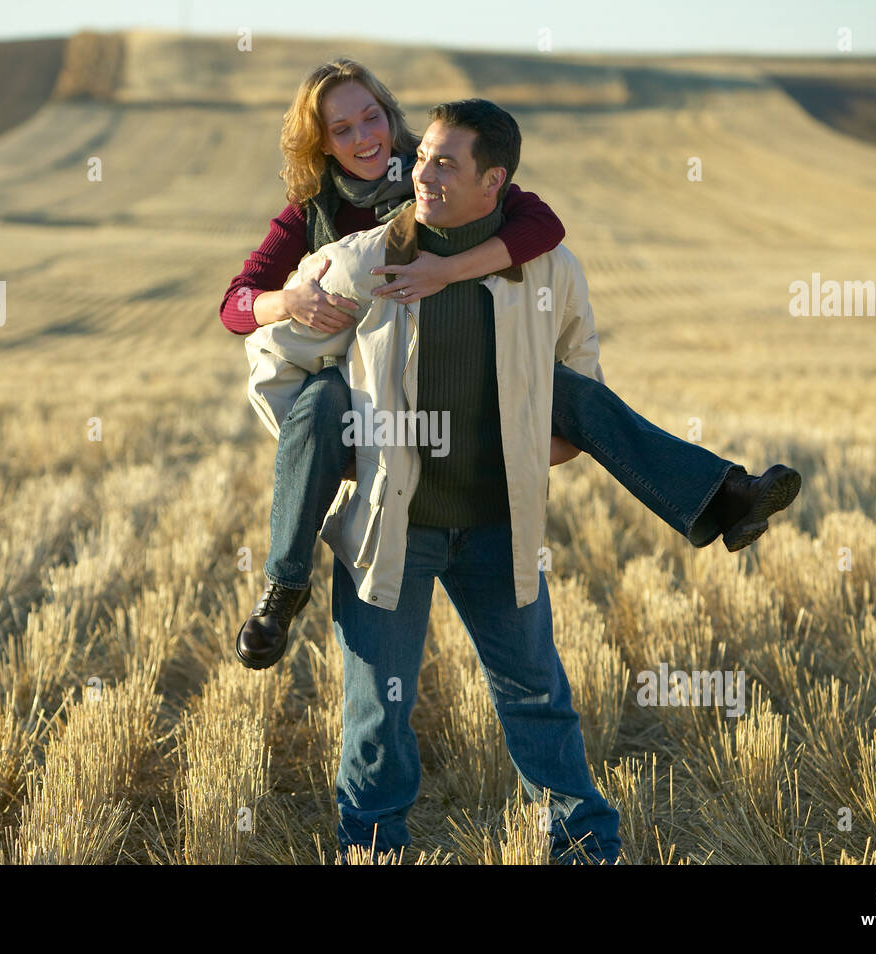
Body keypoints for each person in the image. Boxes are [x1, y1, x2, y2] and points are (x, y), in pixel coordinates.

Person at [222, 58, 801, 672]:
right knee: (318, 404)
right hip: (370, 390)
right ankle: (283, 588)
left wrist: (446, 268)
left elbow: (542, 224)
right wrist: (285, 300)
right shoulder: (308, 215)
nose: (365, 137)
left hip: (467, 377)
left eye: (373, 117)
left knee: (570, 393)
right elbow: (235, 305)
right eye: (342, 129)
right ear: (321, 142)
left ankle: (722, 497)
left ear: (392, 117)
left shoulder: (433, 168)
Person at [246, 98, 640, 862]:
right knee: (375, 714)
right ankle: (372, 851)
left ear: (493, 182)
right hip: (390, 529)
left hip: (500, 525)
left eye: (442, 161)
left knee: (538, 698)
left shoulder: (548, 267)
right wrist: (343, 450)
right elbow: (271, 367)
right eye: (420, 154)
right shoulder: (361, 258)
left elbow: (578, 375)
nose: (417, 171)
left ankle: (586, 848)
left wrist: (544, 449)